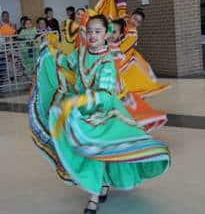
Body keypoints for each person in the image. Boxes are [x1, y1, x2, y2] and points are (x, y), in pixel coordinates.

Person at [29, 14, 170, 214]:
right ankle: (101, 184)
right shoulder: (80, 52)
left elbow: (104, 95)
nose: (93, 35)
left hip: (103, 111)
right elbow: (65, 63)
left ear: (106, 34)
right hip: (81, 108)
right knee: (85, 147)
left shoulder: (107, 62)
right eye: (90, 31)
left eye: (98, 31)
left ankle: (94, 194)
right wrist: (49, 51)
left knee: (96, 149)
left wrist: (79, 101)